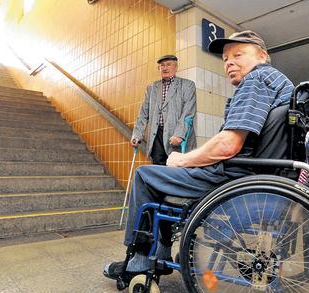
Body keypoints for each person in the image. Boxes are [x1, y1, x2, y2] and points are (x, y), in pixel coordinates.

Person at [104, 31, 294, 281]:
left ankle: (140, 259)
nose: (229, 63)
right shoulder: (278, 83)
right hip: (250, 171)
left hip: (232, 175)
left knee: (145, 176)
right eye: (225, 59)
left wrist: (183, 158)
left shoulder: (257, 80)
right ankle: (160, 253)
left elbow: (228, 145)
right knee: (163, 179)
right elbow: (145, 114)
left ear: (262, 56)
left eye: (238, 55)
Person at [131, 55, 197, 165]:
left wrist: (179, 134)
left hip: (175, 135)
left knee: (177, 170)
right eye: (162, 65)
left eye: (168, 64)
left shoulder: (187, 85)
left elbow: (188, 112)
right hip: (156, 136)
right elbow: (143, 113)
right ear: (159, 68)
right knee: (158, 170)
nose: (165, 68)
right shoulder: (151, 88)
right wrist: (137, 134)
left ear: (176, 67)